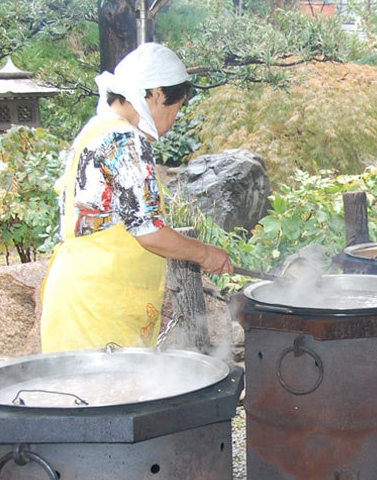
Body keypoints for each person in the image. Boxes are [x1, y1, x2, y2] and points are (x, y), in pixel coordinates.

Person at [40, 42, 233, 353]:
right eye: (176, 106)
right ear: (155, 94)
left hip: (84, 295)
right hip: (101, 305)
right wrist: (205, 253)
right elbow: (149, 232)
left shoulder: (98, 128)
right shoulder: (124, 138)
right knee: (112, 398)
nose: (173, 119)